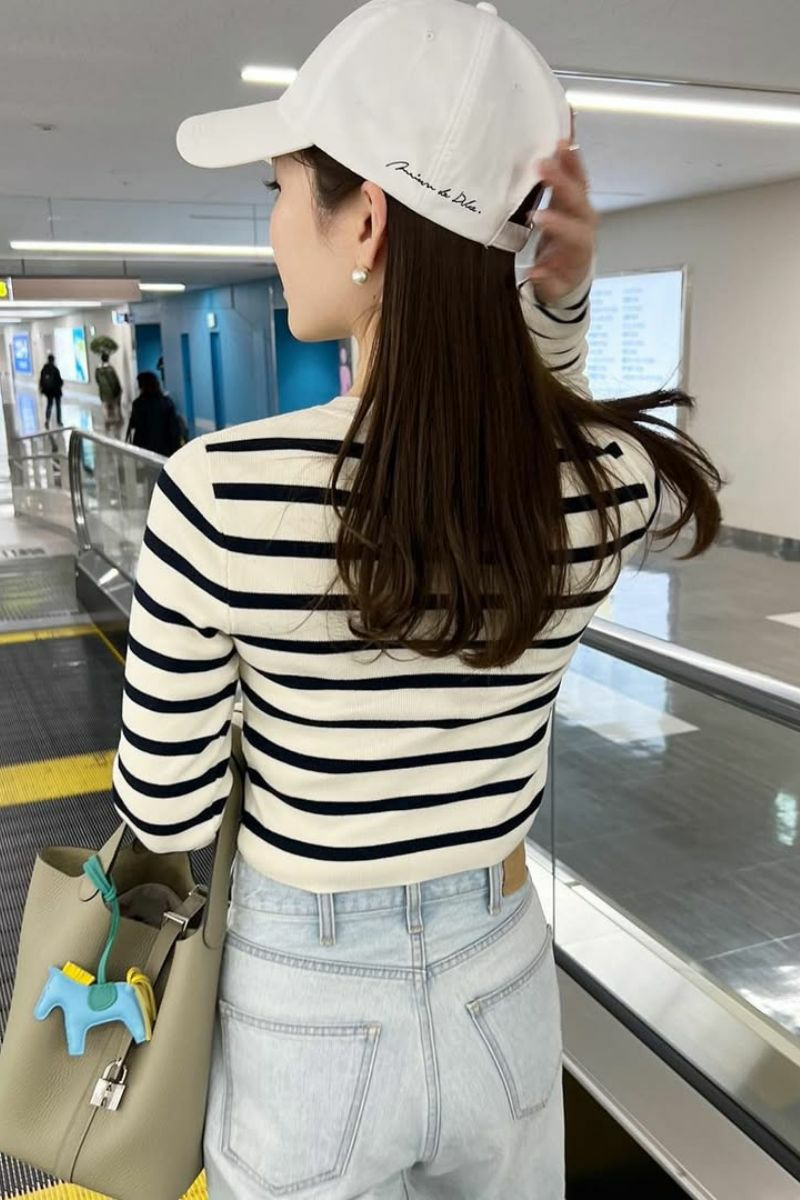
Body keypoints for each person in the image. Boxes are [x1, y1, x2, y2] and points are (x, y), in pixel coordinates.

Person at [113, 2, 723, 1197]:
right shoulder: (607, 485)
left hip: (302, 992)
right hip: (502, 969)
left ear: (366, 220)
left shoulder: (219, 493)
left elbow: (166, 812)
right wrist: (552, 318)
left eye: (281, 188)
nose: (272, 222)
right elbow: (532, 447)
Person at [126, 371, 184, 457]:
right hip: (165, 450)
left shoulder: (138, 404)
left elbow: (134, 424)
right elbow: (174, 429)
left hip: (144, 451)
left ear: (142, 386)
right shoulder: (167, 403)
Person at [95, 351, 124, 438]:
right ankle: (115, 426)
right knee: (114, 408)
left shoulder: (98, 369)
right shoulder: (110, 369)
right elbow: (115, 381)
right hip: (112, 393)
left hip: (103, 393)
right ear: (108, 358)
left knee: (106, 408)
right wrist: (119, 390)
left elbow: (97, 381)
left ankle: (107, 424)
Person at [38, 355, 63, 430]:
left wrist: (42, 389)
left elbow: (41, 380)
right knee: (58, 406)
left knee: (49, 405)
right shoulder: (55, 369)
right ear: (53, 360)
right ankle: (59, 421)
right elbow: (59, 380)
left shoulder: (44, 369)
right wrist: (61, 383)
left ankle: (47, 420)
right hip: (56, 391)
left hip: (48, 391)